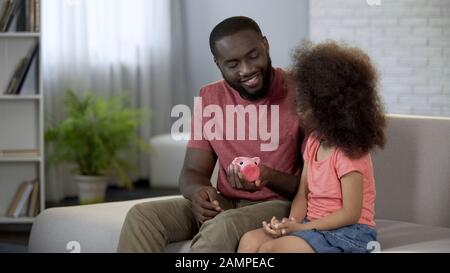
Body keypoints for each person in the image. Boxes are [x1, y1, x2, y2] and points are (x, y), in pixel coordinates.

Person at [117, 16, 304, 252]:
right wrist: (199, 193)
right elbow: (193, 172)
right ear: (218, 63)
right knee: (143, 217)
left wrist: (269, 176)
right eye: (233, 64)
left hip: (280, 205)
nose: (247, 70)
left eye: (253, 55)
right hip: (227, 202)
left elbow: (314, 184)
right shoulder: (210, 97)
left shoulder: (300, 91)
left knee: (222, 226)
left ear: (265, 44)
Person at [238, 41, 386, 253]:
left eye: (307, 104)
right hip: (311, 225)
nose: (299, 109)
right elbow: (302, 195)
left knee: (272, 249)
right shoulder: (314, 142)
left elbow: (351, 213)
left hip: (349, 232)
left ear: (333, 107)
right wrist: (289, 224)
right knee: (249, 241)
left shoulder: (350, 151)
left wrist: (301, 228)